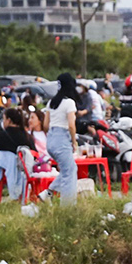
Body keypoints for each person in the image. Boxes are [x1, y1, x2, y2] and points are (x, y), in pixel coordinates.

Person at [44, 73, 83, 205]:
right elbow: (71, 125)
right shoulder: (69, 103)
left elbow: (45, 125)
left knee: (69, 169)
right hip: (62, 138)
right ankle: (68, 206)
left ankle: (47, 193)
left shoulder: (52, 102)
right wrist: (73, 142)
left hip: (50, 140)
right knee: (69, 174)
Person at [0, 104, 37, 201]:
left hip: (7, 173)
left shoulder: (1, 136)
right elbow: (34, 153)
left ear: (9, 120)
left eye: (4, 119)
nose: (3, 122)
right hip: (26, 172)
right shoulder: (27, 137)